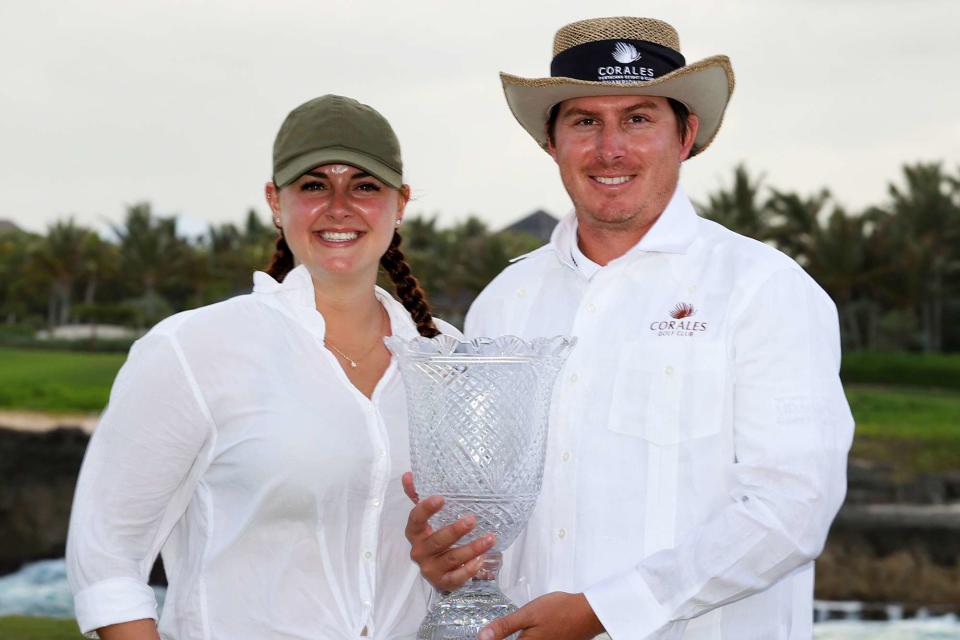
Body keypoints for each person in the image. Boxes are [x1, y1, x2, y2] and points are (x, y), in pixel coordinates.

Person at [403, 17, 855, 640]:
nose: (610, 148)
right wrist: (449, 554)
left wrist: (606, 610)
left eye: (638, 119)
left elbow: (792, 509)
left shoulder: (765, 289)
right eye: (585, 121)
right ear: (551, 140)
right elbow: (489, 516)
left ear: (686, 133)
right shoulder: (503, 302)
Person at [67, 94, 457, 639]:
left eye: (365, 186)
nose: (339, 206)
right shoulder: (191, 350)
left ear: (401, 203)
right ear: (276, 202)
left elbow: (469, 546)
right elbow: (106, 556)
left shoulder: (451, 359)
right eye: (314, 184)